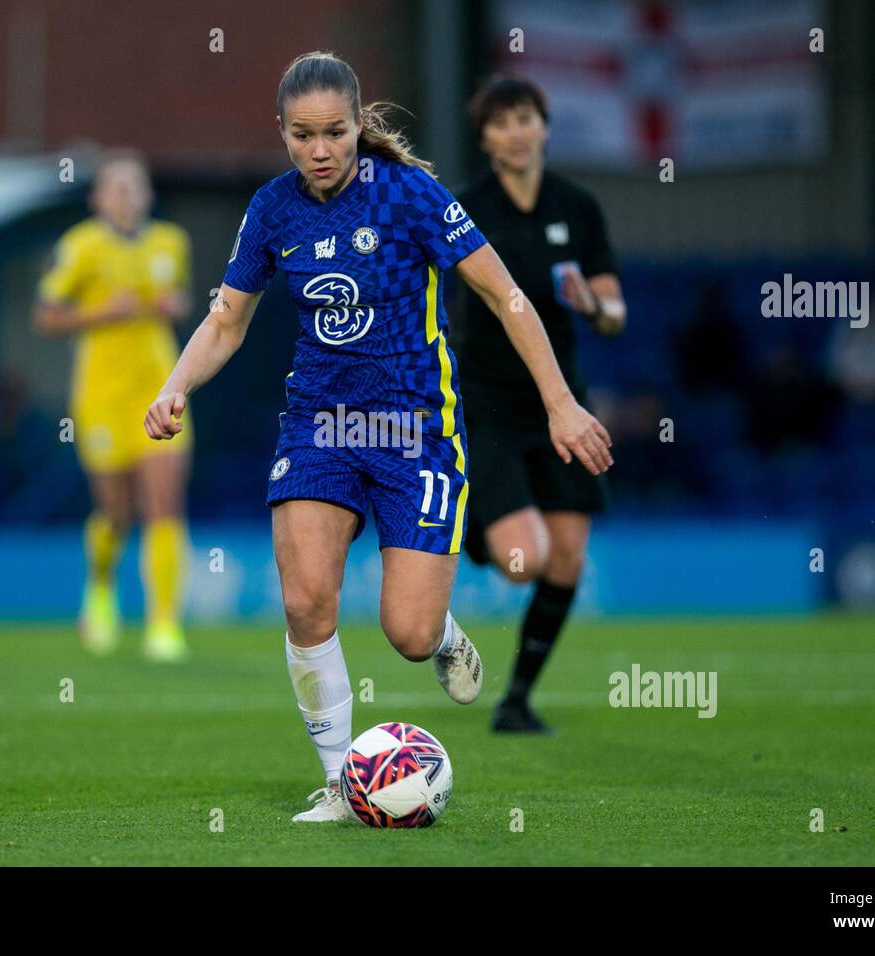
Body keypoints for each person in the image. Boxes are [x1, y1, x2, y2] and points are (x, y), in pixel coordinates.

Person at [144, 52, 613, 822]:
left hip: (414, 429)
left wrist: (560, 402)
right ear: (283, 134)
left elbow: (506, 295)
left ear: (360, 125)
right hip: (319, 426)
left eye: (334, 132)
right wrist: (175, 387)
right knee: (304, 604)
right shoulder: (272, 210)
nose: (320, 149)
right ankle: (339, 782)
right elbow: (226, 320)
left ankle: (443, 634)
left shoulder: (409, 195)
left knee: (408, 631)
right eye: (303, 135)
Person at [451, 74, 626, 734]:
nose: (516, 132)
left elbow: (615, 313)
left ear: (545, 126)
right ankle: (475, 532)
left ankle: (517, 698)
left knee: (568, 558)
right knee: (522, 563)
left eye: (525, 118)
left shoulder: (577, 207)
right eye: (500, 123)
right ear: (486, 139)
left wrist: (594, 306)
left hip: (562, 402)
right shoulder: (465, 206)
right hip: (489, 401)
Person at [33, 151, 194, 661]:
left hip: (160, 388)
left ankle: (164, 625)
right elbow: (45, 315)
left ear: (148, 195)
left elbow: (184, 299)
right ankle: (100, 590)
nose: (127, 197)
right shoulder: (80, 247)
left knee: (164, 505)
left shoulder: (171, 242)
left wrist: (177, 305)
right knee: (116, 512)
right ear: (98, 198)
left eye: (135, 187)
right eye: (116, 188)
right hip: (101, 396)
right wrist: (101, 312)